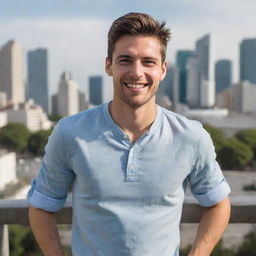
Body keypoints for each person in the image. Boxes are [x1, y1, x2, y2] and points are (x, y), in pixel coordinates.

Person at [28, 12, 231, 256]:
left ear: (163, 69)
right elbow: (41, 206)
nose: (136, 72)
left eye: (148, 62)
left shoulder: (191, 136)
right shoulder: (70, 133)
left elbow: (219, 203)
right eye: (125, 60)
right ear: (108, 66)